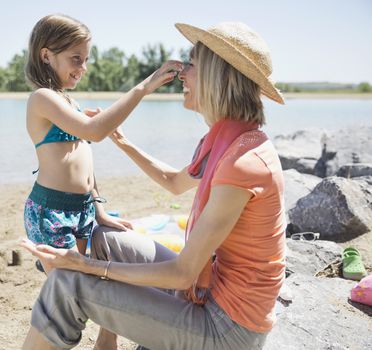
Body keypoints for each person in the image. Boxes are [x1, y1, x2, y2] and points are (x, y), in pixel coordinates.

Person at [20, 21, 286, 350]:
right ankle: (106, 343)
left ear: (217, 75)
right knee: (103, 239)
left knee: (67, 283)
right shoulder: (229, 140)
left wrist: (87, 266)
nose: (182, 74)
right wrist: (125, 143)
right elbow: (174, 182)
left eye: (191, 64)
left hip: (226, 328)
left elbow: (183, 273)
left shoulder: (243, 161)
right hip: (211, 288)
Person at [23, 14, 181, 258]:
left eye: (86, 60)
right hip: (52, 210)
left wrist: (99, 211)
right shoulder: (41, 98)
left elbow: (84, 163)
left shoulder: (68, 101)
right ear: (45, 56)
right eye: (76, 59)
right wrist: (143, 88)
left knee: (79, 280)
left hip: (83, 208)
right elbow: (94, 132)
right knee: (69, 282)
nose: (83, 68)